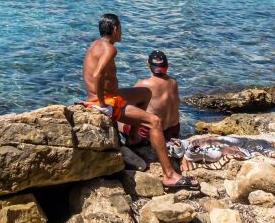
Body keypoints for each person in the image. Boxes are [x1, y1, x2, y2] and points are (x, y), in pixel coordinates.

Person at [83, 14, 194, 191]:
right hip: (104, 100)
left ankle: (133, 138)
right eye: (121, 28)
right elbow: (97, 75)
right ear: (116, 29)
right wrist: (103, 105)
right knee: (154, 121)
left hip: (104, 95)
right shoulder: (110, 49)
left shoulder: (95, 45)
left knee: (145, 93)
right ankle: (169, 175)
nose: (122, 32)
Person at [133, 50, 181, 142]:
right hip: (173, 131)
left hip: (153, 133)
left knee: (120, 117)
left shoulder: (143, 84)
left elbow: (127, 104)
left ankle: (132, 140)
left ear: (148, 64)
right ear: (167, 65)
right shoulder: (173, 82)